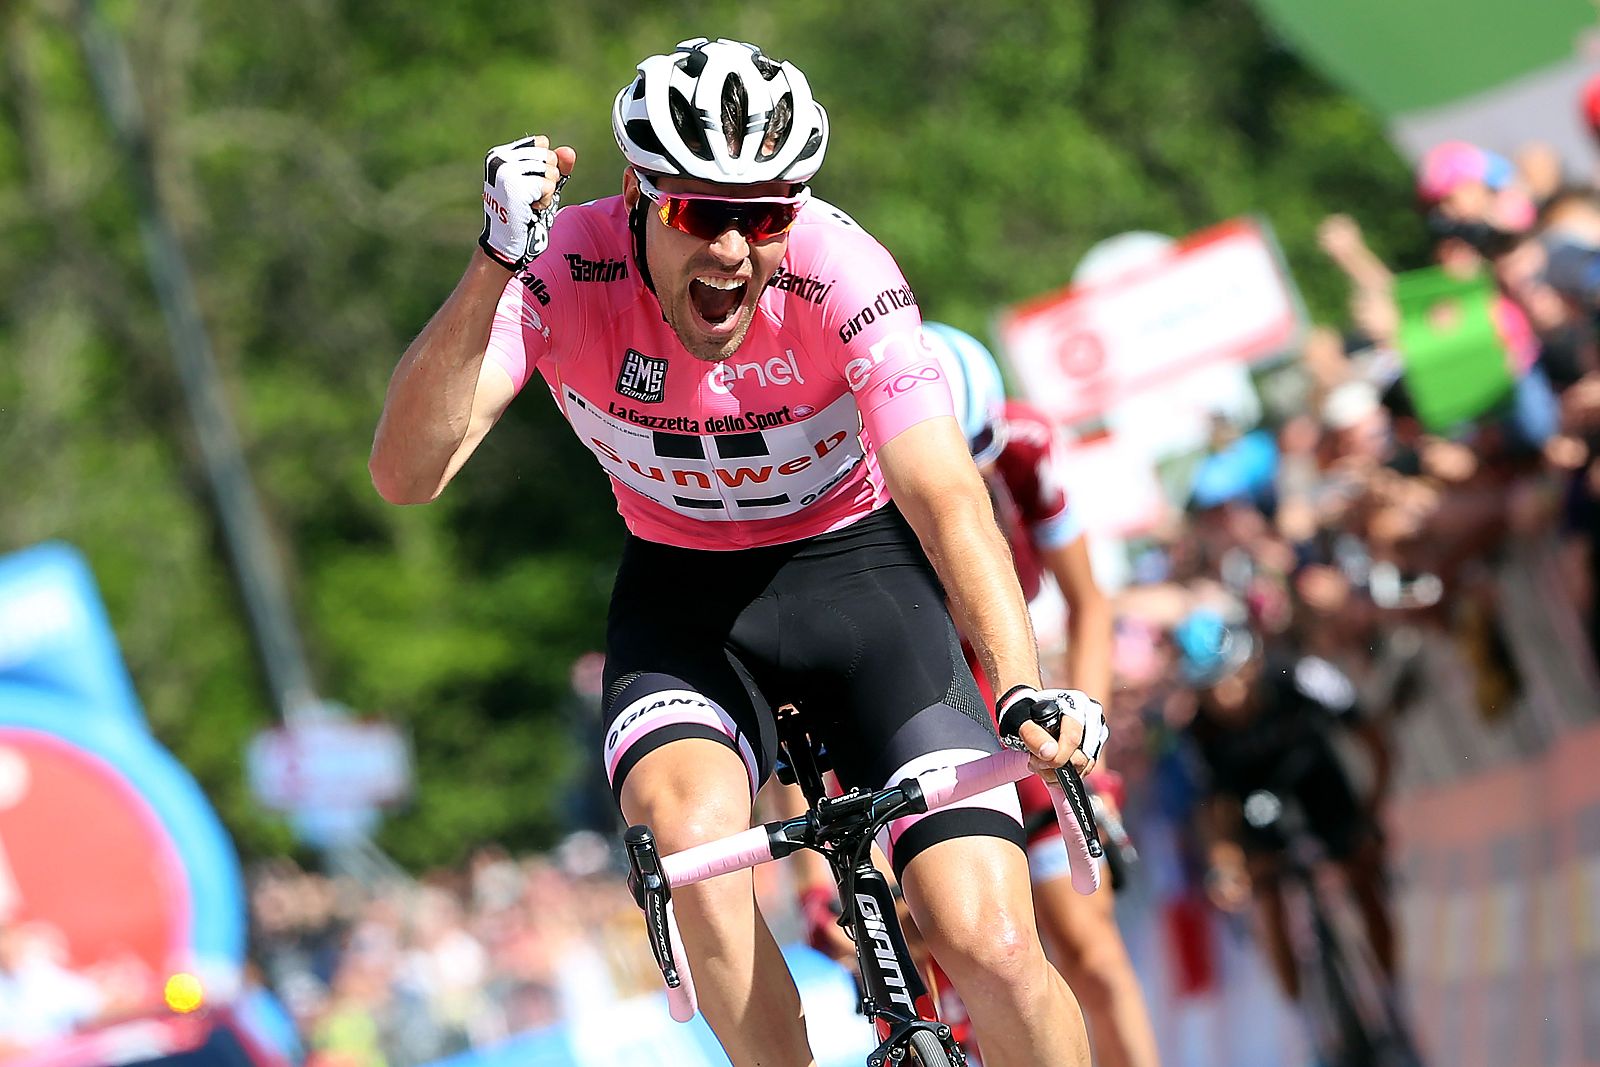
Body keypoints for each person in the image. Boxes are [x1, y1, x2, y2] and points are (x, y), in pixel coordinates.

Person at [369, 37, 1107, 1067]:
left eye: (762, 215)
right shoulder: (557, 265)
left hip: (865, 581)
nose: (731, 249)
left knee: (986, 934)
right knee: (693, 852)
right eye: (697, 212)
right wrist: (494, 264)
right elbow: (407, 472)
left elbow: (944, 495)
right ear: (634, 195)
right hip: (686, 606)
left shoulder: (839, 267)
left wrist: (1021, 687)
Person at [1173, 608, 1396, 1005]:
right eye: (1207, 689)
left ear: (1251, 664)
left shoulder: (1301, 676)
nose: (1223, 698)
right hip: (1255, 800)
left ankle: (1390, 989)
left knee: (1362, 870)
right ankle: (1302, 1011)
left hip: (1316, 778)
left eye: (1229, 680)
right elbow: (1212, 807)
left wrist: (1373, 806)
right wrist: (1227, 864)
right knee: (1268, 894)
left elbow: (1373, 737)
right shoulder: (1198, 730)